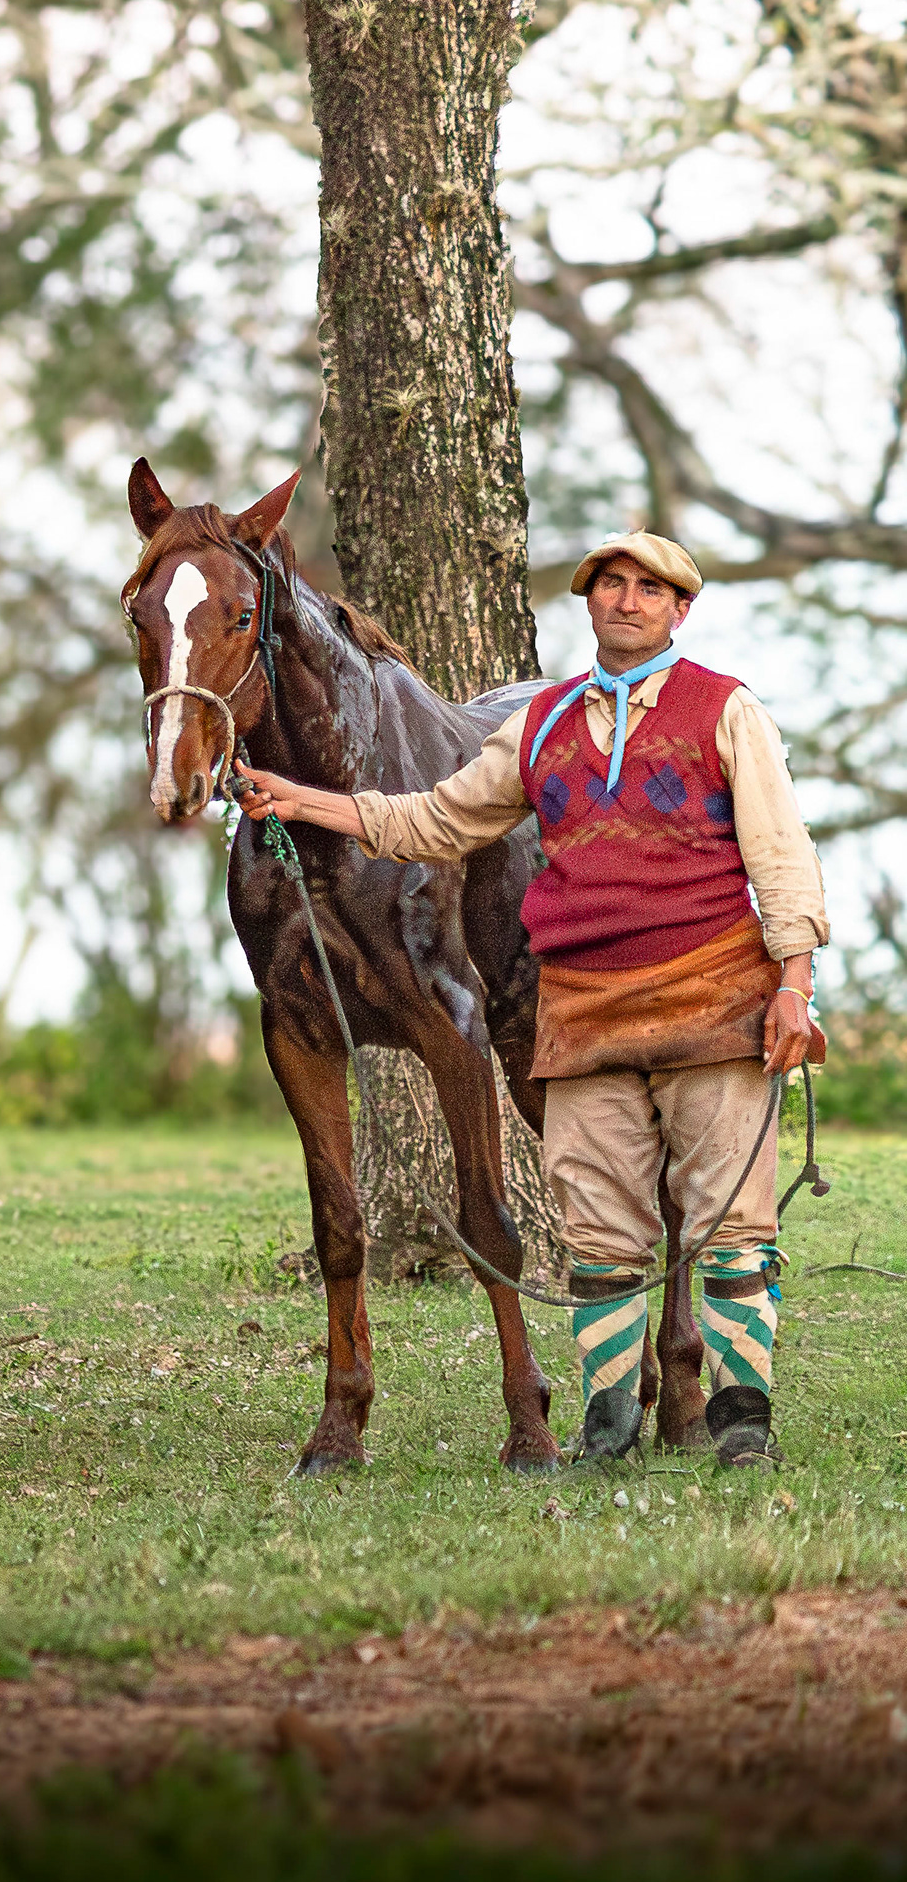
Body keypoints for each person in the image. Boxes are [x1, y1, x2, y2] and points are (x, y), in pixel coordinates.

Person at [237, 532, 826, 1467]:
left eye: (649, 590)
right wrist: (303, 802)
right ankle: (608, 1425)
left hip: (712, 995)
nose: (627, 601)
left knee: (729, 1220)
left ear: (680, 611)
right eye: (610, 587)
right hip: (583, 1007)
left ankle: (740, 1421)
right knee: (597, 1221)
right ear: (588, 604)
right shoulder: (543, 724)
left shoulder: (728, 710)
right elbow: (431, 818)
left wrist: (794, 984)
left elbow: (782, 856)